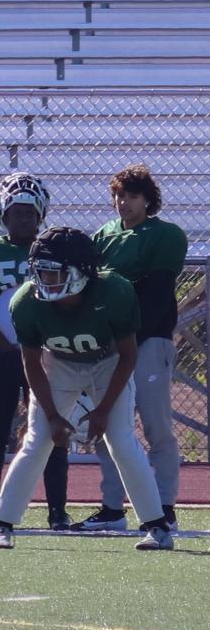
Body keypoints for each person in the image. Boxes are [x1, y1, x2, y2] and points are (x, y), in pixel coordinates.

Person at [0, 227, 175, 552]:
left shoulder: (115, 291)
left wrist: (103, 410)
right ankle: (2, 524)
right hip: (57, 364)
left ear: (82, 272)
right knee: (38, 439)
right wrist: (52, 415)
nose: (44, 280)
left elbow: (129, 355)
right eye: (40, 272)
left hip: (108, 362)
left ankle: (157, 526)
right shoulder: (25, 303)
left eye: (53, 272)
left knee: (121, 440)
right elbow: (32, 363)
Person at [85, 164, 188, 532]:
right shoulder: (103, 236)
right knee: (109, 424)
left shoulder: (165, 235)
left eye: (130, 195)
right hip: (108, 343)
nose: (122, 202)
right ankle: (113, 506)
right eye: (117, 194)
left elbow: (158, 292)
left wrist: (130, 335)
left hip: (147, 338)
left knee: (156, 423)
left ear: (147, 199)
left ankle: (163, 506)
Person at [0, 173, 68, 531]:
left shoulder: (55, 247)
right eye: (16, 212)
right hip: (1, 354)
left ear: (41, 214)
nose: (23, 219)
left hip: (47, 354)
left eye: (29, 213)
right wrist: (5, 347)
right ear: (1, 214)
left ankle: (58, 510)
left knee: (53, 430)